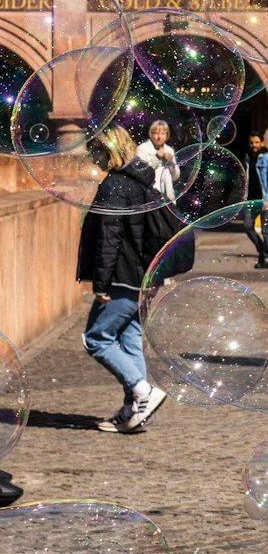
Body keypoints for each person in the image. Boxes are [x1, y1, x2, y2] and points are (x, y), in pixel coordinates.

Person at [75, 125, 171, 434]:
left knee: (96, 338)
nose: (92, 156)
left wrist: (101, 285)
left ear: (109, 150)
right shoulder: (139, 180)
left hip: (121, 277)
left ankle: (143, 393)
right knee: (129, 339)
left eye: (95, 150)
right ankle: (133, 411)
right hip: (140, 276)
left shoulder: (115, 185)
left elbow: (110, 238)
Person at [246, 134, 268, 269]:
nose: (254, 145)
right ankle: (262, 249)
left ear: (262, 143)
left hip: (265, 199)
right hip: (251, 199)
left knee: (266, 230)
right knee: (247, 226)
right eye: (251, 142)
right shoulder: (248, 158)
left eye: (256, 142)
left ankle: (266, 255)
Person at [134, 119, 178, 201]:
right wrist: (157, 157)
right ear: (151, 134)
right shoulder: (142, 149)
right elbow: (141, 173)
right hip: (149, 196)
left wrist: (171, 163)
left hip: (168, 197)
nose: (159, 137)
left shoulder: (169, 150)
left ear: (167, 135)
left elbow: (175, 177)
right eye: (156, 133)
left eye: (163, 133)